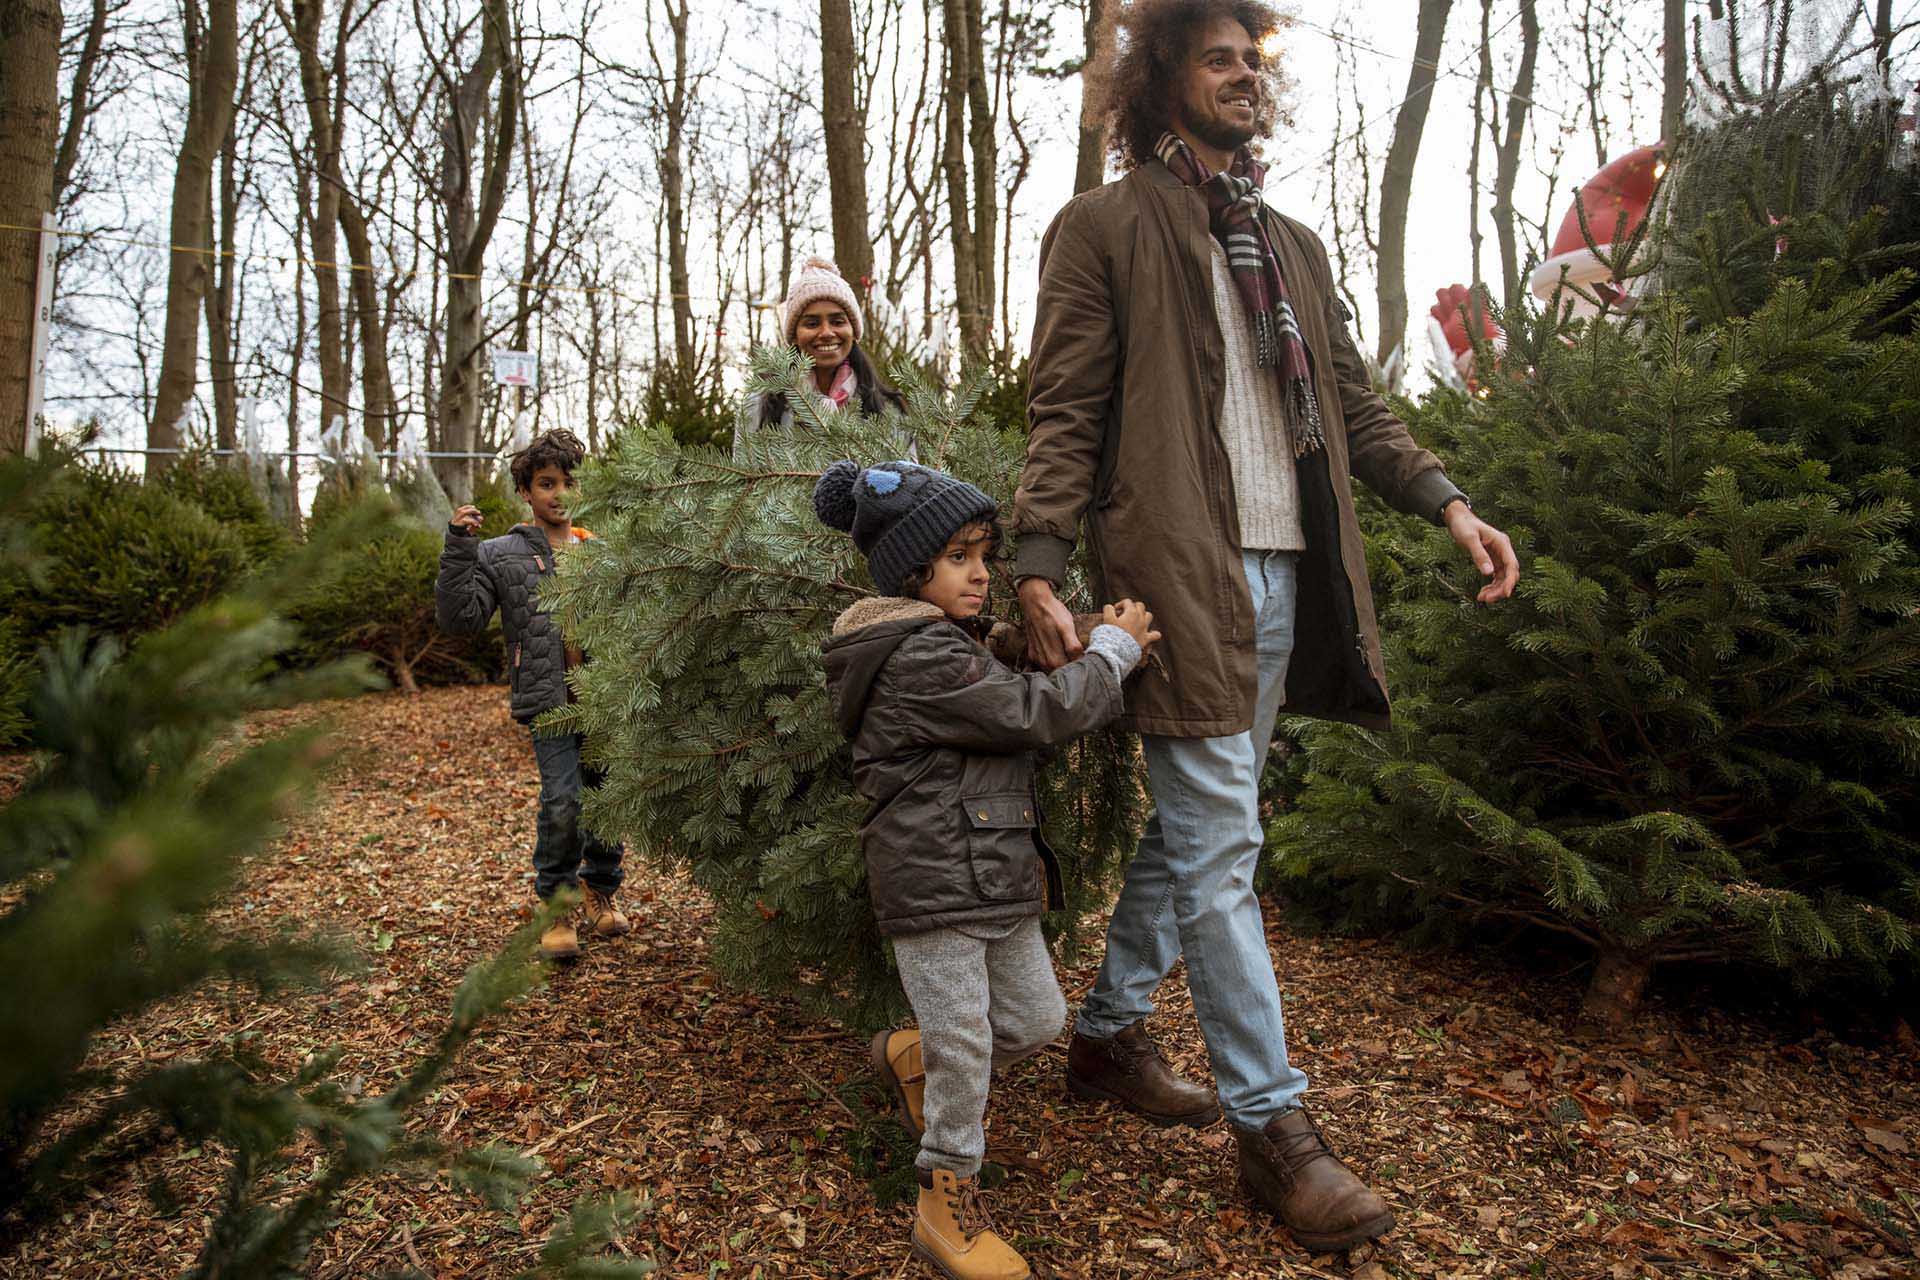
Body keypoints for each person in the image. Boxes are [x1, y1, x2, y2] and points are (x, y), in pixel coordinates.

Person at [1011, 0, 1521, 1253]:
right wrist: (1037, 562)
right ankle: (1274, 1130)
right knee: (1225, 842)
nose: (1243, 76)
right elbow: (1065, 408)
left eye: (1255, 61)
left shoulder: (1288, 240)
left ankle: (1110, 1036)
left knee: (1199, 835)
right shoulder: (1105, 226)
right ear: (1164, 77)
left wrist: (1448, 502)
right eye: (1219, 57)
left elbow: (1351, 400)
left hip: (1291, 573)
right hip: (1178, 577)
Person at [815, 459, 1156, 1280]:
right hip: (935, 884)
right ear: (911, 569)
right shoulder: (915, 654)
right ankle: (945, 1200)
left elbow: (1004, 675)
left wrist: (1060, 633)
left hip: (992, 870)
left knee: (1035, 1021)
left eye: (985, 555)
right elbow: (1027, 712)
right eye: (961, 558)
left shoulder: (949, 643)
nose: (981, 573)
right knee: (966, 1045)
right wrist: (1110, 653)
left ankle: (912, 1053)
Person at [435, 428, 631, 962]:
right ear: (526, 490)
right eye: (547, 483)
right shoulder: (501, 554)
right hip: (549, 701)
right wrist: (459, 548)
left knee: (607, 800)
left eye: (569, 483)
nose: (559, 494)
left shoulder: (602, 553)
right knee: (563, 800)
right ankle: (555, 903)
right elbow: (461, 618)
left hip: (605, 698)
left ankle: (601, 888)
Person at [733, 256, 911, 461]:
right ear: (795, 336)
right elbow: (744, 484)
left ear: (853, 331)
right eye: (812, 324)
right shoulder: (760, 405)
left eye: (837, 321)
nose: (826, 332)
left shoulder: (887, 409)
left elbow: (910, 485)